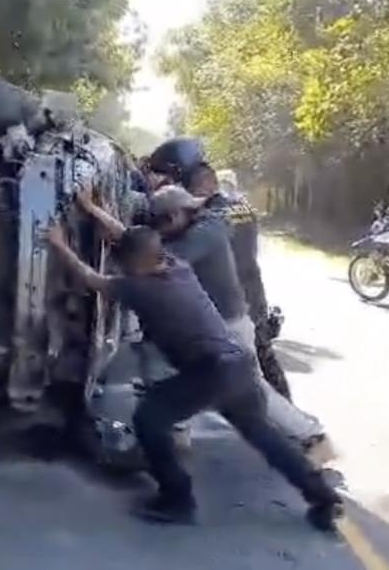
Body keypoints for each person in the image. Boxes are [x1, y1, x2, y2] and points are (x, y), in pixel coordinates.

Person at [46, 222, 343, 530]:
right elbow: (131, 239)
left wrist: (59, 244)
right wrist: (93, 210)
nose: (120, 266)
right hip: (239, 365)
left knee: (149, 419)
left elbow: (91, 279)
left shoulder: (138, 288)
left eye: (123, 261)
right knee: (265, 437)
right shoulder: (176, 265)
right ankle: (323, 496)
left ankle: (178, 499)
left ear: (134, 263)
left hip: (211, 372)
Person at [77, 186, 335, 467]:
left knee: (251, 392)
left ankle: (314, 437)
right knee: (160, 366)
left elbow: (145, 255)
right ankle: (174, 434)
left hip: (227, 327)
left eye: (159, 222)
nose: (157, 230)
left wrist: (112, 243)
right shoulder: (201, 225)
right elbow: (136, 244)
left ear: (176, 215)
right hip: (213, 326)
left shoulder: (201, 237)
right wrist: (93, 210)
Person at [184, 163, 292, 400]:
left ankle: (274, 411)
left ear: (209, 184)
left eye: (194, 188)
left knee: (247, 368)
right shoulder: (245, 208)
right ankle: (287, 407)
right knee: (265, 356)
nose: (192, 194)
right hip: (253, 290)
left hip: (233, 298)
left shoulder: (213, 216)